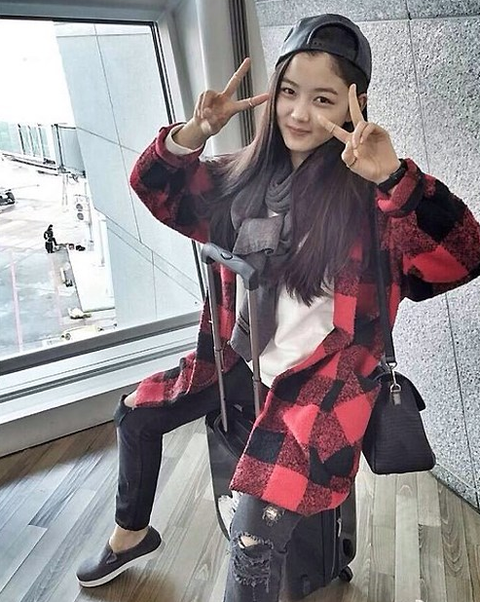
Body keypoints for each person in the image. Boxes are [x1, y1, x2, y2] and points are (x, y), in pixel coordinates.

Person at [76, 13, 480, 600]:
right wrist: (194, 132)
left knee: (253, 535)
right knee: (136, 412)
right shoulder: (241, 178)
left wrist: (395, 178)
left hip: (322, 385)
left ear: (355, 104)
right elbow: (156, 190)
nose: (298, 113)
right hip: (238, 359)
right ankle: (130, 535)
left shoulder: (374, 202)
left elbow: (464, 256)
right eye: (289, 92)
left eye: (322, 99)